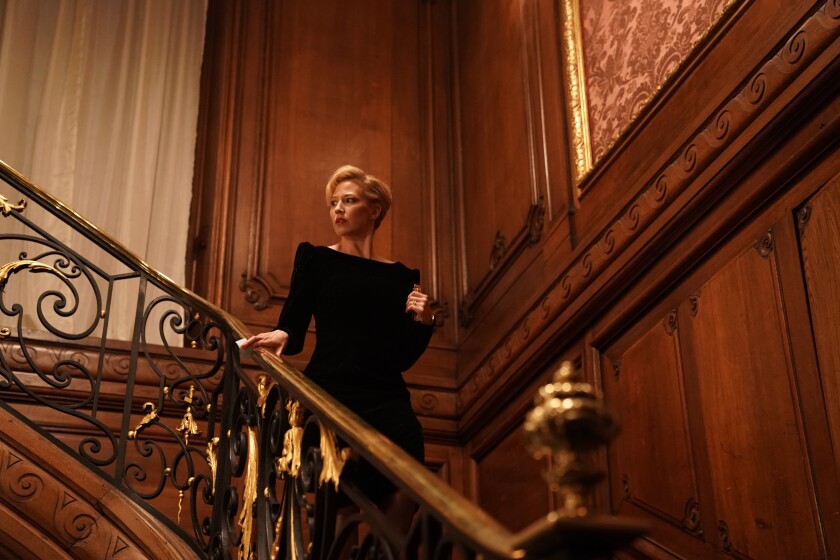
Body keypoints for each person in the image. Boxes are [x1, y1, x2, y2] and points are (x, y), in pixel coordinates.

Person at [241, 164, 435, 532]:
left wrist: (425, 323)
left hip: (389, 401)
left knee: (404, 495)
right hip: (333, 397)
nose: (338, 210)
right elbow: (293, 322)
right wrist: (283, 334)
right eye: (334, 203)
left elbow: (402, 356)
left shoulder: (401, 276)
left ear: (374, 210)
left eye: (349, 200)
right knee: (341, 507)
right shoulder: (317, 259)